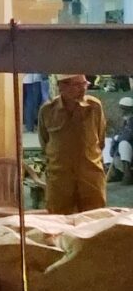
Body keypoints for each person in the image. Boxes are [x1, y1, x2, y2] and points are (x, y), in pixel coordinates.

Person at [38, 73, 107, 214]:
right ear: (61, 86)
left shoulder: (94, 107)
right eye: (77, 85)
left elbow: (100, 139)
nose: (83, 88)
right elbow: (45, 142)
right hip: (60, 179)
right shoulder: (47, 110)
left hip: (90, 177)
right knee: (58, 220)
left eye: (84, 84)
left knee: (94, 219)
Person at [107, 96, 133, 184]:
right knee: (107, 141)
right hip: (124, 152)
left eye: (125, 109)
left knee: (124, 143)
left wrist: (117, 138)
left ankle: (127, 173)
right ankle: (112, 171)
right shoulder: (125, 121)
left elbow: (128, 136)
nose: (122, 111)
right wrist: (115, 139)